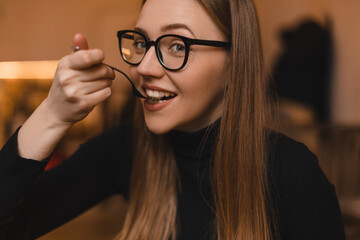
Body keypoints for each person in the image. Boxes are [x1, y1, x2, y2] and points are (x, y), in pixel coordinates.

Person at [0, 0, 346, 239]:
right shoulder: (125, 150)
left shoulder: (292, 175)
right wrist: (50, 116)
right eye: (142, 42)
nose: (143, 67)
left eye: (177, 45)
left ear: (234, 64)